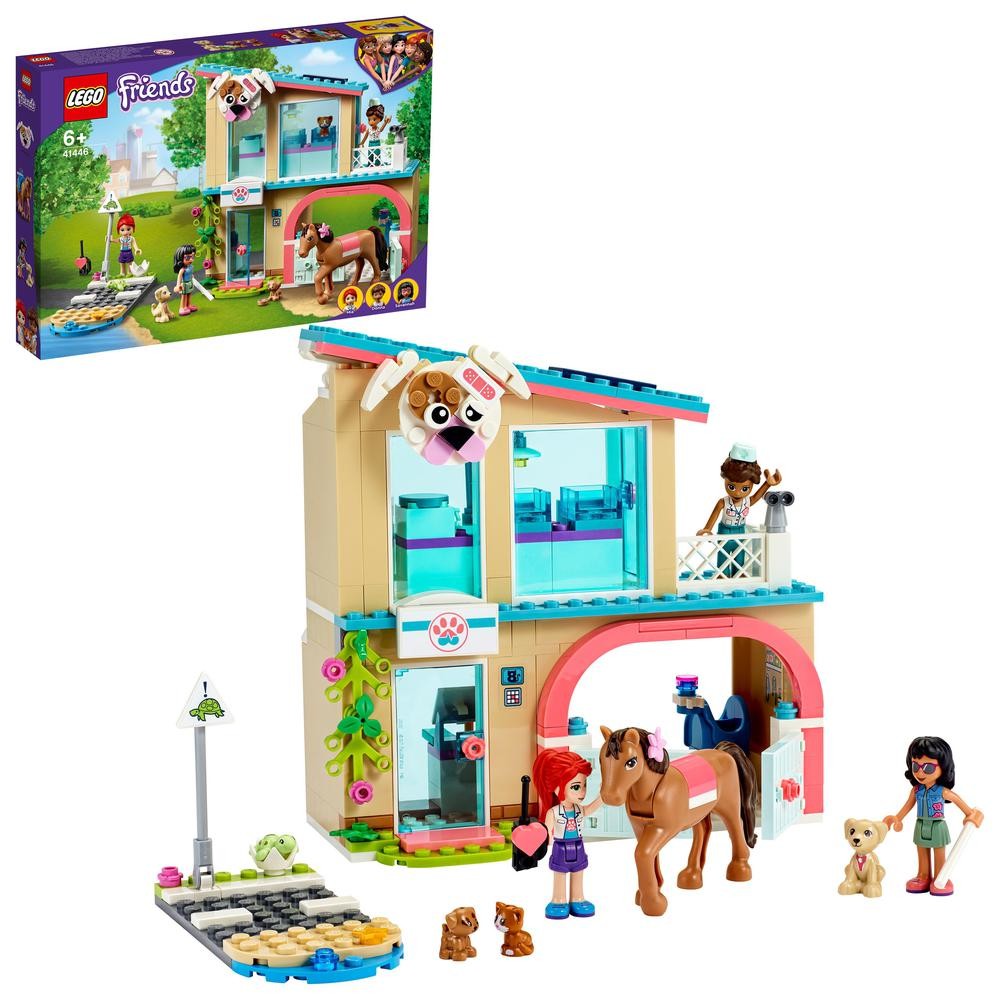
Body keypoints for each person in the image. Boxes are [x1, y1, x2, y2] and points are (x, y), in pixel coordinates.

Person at [883, 736, 983, 896]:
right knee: (921, 851)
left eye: (928, 767)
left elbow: (961, 804)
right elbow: (908, 806)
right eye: (915, 766)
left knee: (939, 853)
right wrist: (897, 818)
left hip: (937, 826)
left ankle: (940, 877)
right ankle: (923, 876)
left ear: (943, 767)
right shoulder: (916, 790)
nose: (920, 772)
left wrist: (971, 815)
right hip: (920, 824)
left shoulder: (943, 792)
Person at [532, 749, 602, 919]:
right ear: (557, 787)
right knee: (560, 874)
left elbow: (590, 809)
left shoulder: (579, 809)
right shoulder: (554, 812)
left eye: (584, 785)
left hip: (578, 846)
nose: (582, 792)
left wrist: (602, 796)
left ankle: (577, 899)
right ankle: (559, 900)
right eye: (576, 787)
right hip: (560, 847)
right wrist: (541, 842)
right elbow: (547, 830)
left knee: (579, 872)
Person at [696, 442, 780, 576]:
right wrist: (707, 529)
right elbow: (715, 515)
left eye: (745, 488)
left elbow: (757, 496)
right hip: (724, 532)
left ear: (751, 485)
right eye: (731, 487)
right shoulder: (723, 502)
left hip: (741, 531)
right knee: (723, 557)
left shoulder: (747, 501)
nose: (737, 493)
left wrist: (767, 484)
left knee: (739, 557)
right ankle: (722, 576)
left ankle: (738, 575)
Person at [172, 244, 199, 316]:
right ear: (180, 258)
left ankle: (188, 305)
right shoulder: (182, 269)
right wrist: (178, 285)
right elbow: (179, 277)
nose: (191, 259)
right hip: (184, 284)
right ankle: (182, 307)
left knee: (189, 294)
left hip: (190, 282)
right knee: (184, 296)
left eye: (192, 257)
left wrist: (192, 276)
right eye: (187, 258)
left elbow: (190, 273)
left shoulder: (191, 266)